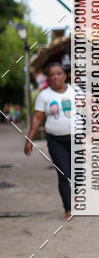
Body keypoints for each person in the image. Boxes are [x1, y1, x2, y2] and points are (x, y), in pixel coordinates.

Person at [24, 62, 75, 219]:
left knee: (77, 171)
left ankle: (77, 194)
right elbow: (38, 117)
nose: (56, 77)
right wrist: (29, 138)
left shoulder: (75, 92)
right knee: (63, 173)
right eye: (52, 75)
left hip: (76, 138)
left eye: (59, 73)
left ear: (64, 75)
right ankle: (68, 208)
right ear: (48, 79)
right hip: (55, 140)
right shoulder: (44, 95)